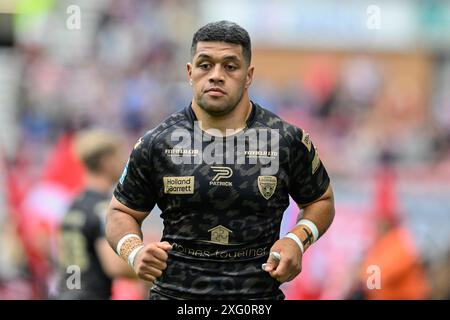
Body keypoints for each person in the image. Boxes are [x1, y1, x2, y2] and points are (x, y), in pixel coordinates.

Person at [106, 20, 335, 300]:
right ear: (190, 73)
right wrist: (134, 251)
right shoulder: (157, 142)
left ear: (248, 75)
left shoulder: (286, 140)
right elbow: (121, 212)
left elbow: (321, 201)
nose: (216, 75)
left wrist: (296, 240)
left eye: (229, 66)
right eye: (205, 65)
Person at [57, 130, 135, 299]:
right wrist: (151, 267)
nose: (124, 162)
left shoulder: (73, 205)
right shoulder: (103, 209)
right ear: (106, 161)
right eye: (120, 156)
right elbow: (114, 265)